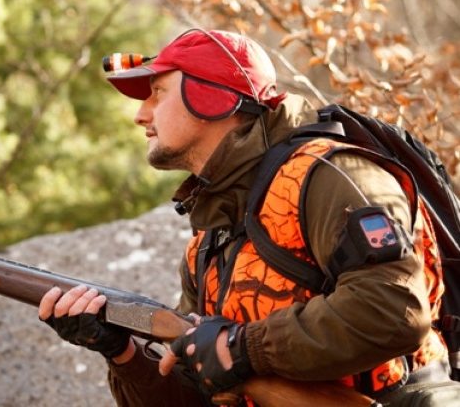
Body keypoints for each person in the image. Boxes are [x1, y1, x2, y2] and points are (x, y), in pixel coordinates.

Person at [37, 29, 450, 405]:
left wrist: (242, 349)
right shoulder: (209, 241)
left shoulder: (328, 176)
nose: (140, 115)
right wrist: (121, 353)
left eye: (157, 92)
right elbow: (194, 394)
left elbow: (393, 310)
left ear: (212, 97)